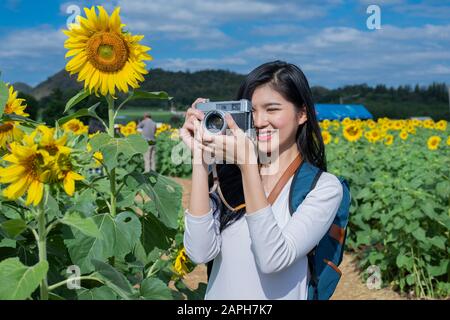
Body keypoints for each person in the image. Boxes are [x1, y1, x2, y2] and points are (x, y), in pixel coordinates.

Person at [179, 61, 344, 300]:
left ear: (302, 114)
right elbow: (199, 252)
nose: (258, 121)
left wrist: (248, 165)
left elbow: (273, 259)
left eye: (272, 109)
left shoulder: (322, 187)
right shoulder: (227, 177)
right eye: (252, 111)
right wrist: (200, 157)